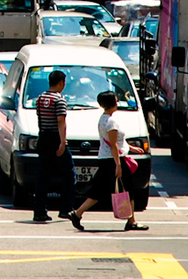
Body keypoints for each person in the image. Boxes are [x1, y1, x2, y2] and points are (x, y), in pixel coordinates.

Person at [67, 90, 149, 232]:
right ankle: (131, 221)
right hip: (114, 159)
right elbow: (113, 144)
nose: (118, 102)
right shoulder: (111, 122)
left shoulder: (104, 119)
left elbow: (114, 141)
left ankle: (78, 213)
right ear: (113, 103)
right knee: (128, 188)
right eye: (116, 100)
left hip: (107, 158)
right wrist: (118, 165)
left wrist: (131, 148)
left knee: (100, 190)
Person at [31, 70, 75, 223]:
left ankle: (39, 211)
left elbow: (40, 118)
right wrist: (63, 142)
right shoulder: (60, 99)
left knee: (43, 176)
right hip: (55, 138)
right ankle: (66, 208)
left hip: (43, 137)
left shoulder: (41, 98)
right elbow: (61, 122)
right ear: (61, 82)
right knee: (69, 173)